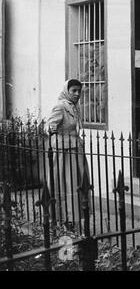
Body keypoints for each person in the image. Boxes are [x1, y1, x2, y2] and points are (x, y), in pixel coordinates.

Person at [46, 78, 90, 229]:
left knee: (77, 183)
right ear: (67, 91)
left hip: (75, 149)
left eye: (79, 91)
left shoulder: (74, 107)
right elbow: (49, 126)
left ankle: (75, 218)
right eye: (74, 91)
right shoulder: (60, 106)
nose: (77, 94)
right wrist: (51, 129)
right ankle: (64, 219)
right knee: (65, 183)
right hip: (63, 151)